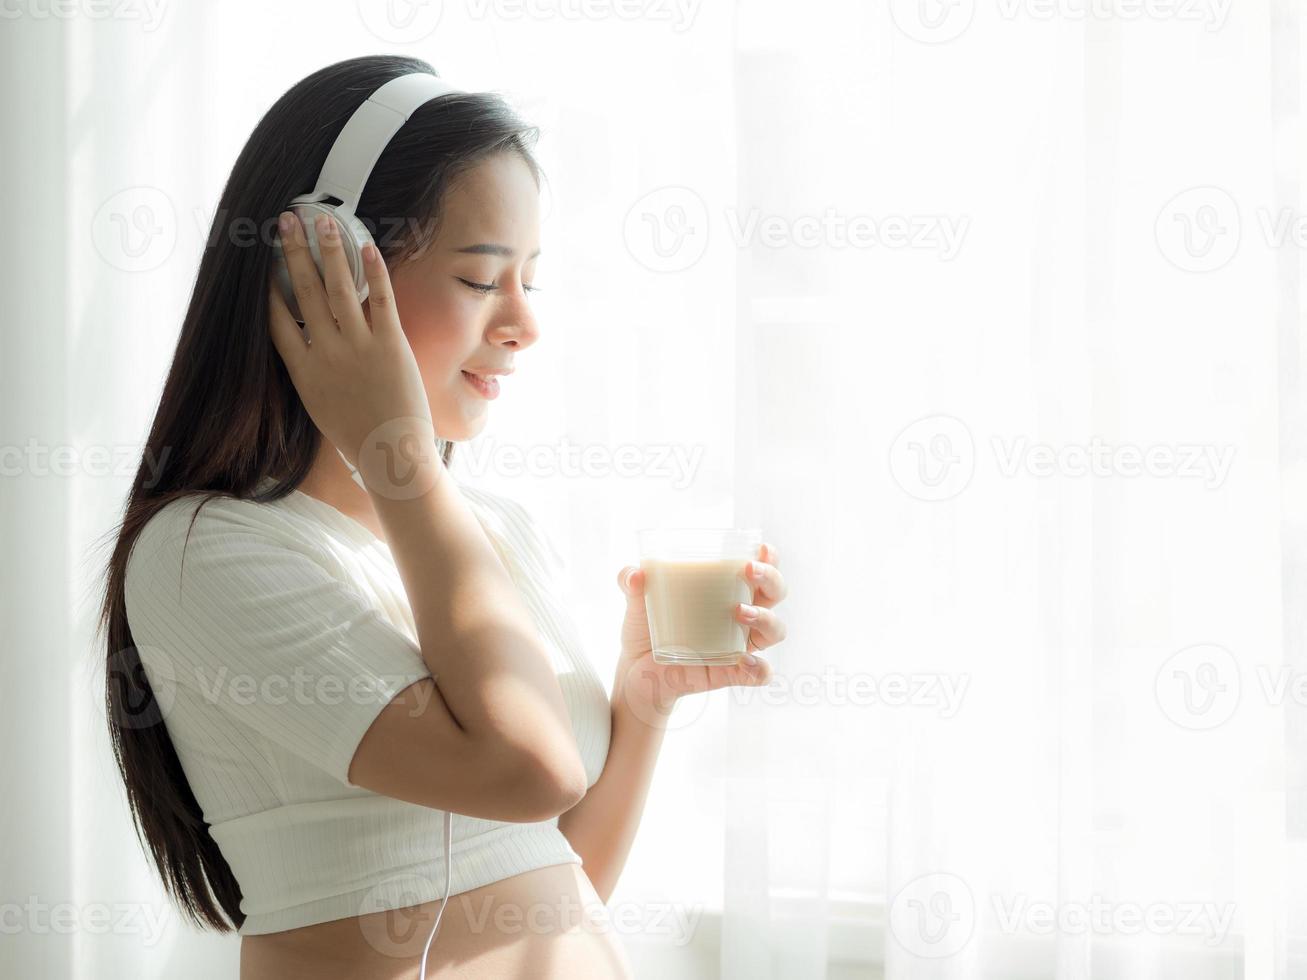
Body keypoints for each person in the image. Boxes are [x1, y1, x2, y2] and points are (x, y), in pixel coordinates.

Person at [98, 54, 788, 979]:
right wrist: (404, 459)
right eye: (479, 278)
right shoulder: (205, 553)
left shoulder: (486, 530)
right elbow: (529, 769)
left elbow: (548, 874)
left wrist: (640, 705)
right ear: (322, 279)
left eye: (529, 282)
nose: (523, 325)